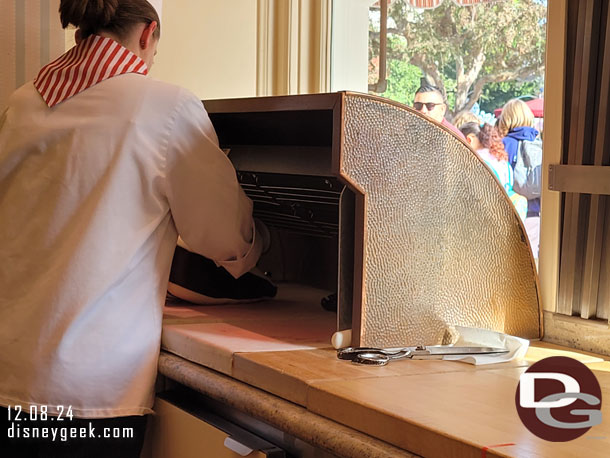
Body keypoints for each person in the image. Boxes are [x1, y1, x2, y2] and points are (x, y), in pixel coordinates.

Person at [0, 1, 264, 456]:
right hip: (89, 393)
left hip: (9, 374)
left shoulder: (22, 102)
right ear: (148, 33)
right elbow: (222, 236)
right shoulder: (166, 107)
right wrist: (260, 250)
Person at [497, 99, 541, 258]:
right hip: (534, 212)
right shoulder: (539, 144)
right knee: (529, 261)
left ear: (506, 118)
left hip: (510, 212)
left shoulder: (502, 145)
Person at [460, 122, 528, 222]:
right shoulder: (501, 160)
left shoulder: (475, 162)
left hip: (485, 219)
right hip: (505, 216)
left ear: (469, 139)